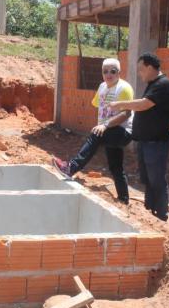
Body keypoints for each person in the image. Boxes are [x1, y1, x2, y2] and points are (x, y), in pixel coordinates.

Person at [53, 58, 134, 204]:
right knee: (115, 165)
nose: (109, 74)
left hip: (123, 131)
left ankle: (71, 167)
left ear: (119, 72)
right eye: (105, 71)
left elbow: (126, 114)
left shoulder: (124, 88)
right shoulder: (102, 87)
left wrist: (104, 125)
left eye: (113, 71)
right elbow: (98, 104)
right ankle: (124, 198)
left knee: (96, 136)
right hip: (109, 129)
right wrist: (102, 124)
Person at [109, 53, 169, 221]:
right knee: (147, 178)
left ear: (150, 67)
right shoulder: (154, 84)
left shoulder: (163, 84)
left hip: (157, 143)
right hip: (147, 142)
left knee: (157, 178)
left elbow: (144, 104)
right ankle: (150, 211)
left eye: (141, 69)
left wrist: (121, 104)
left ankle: (161, 214)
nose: (139, 73)